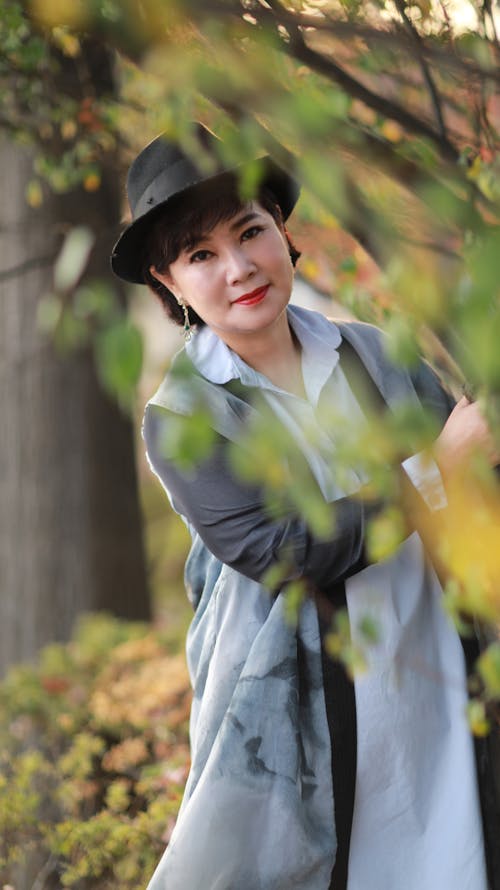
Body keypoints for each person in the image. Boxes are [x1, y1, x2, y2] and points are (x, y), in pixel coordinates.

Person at [111, 125, 498, 890]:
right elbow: (287, 551)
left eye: (250, 232)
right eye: (201, 256)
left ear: (283, 235)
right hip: (312, 725)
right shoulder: (184, 418)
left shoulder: (379, 356)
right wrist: (437, 468)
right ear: (168, 283)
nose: (240, 268)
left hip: (438, 689)